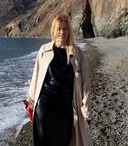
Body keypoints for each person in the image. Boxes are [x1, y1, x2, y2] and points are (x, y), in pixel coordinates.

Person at [25, 14, 93, 146]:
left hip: (66, 109)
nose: (62, 32)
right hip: (45, 107)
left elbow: (85, 83)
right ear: (54, 31)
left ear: (69, 31)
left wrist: (86, 109)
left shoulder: (77, 53)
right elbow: (36, 75)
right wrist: (31, 101)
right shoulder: (44, 50)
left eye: (65, 29)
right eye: (59, 29)